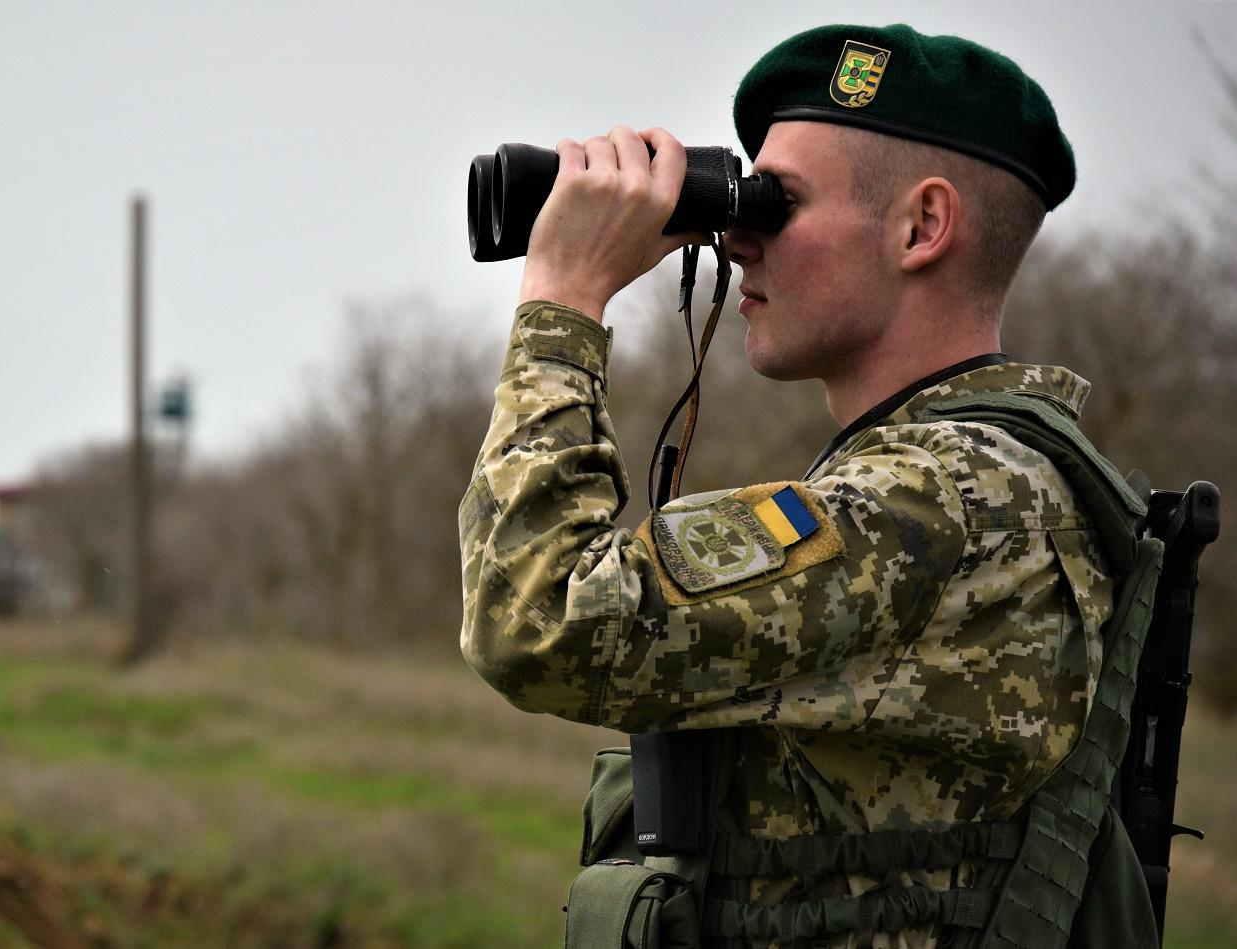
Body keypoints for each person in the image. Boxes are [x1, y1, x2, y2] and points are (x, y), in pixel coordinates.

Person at [458, 23, 1147, 948]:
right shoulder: (962, 483)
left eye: (779, 202)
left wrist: (564, 296)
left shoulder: (946, 498)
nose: (737, 234)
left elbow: (536, 619)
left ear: (921, 227)